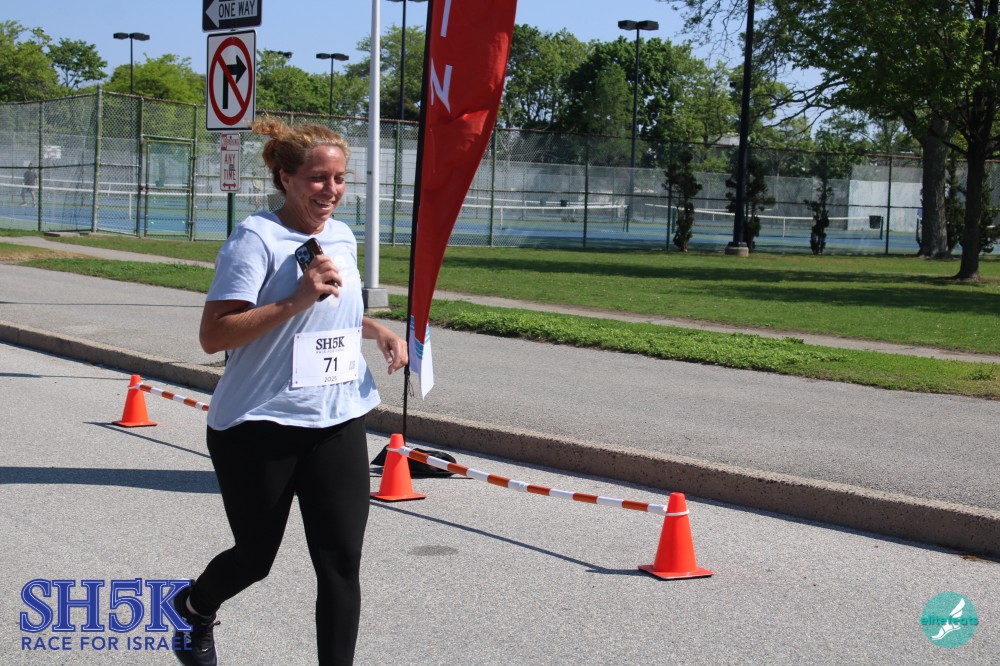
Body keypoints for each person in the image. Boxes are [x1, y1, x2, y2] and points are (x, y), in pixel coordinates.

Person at [172, 117, 407, 666]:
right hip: (260, 423)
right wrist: (296, 299)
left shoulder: (341, 236)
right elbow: (214, 335)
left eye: (340, 178)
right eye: (318, 178)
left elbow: (332, 312)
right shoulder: (256, 239)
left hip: (337, 417)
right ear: (286, 177)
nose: (331, 190)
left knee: (341, 563)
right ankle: (194, 606)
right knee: (255, 559)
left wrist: (377, 329)